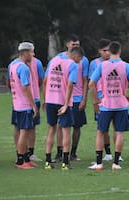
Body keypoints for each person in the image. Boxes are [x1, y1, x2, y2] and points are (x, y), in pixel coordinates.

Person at [89, 41, 129, 170]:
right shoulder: (126, 66)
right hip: (121, 104)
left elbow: (91, 84)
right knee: (119, 133)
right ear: (120, 51)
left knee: (100, 132)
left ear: (109, 51)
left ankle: (99, 163)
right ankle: (116, 163)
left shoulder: (102, 66)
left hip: (106, 104)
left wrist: (96, 100)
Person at [43, 47, 83, 170]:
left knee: (51, 129)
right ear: (76, 55)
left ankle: (48, 161)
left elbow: (45, 80)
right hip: (62, 101)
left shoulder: (54, 60)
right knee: (66, 131)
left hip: (50, 99)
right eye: (79, 59)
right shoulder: (73, 65)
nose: (79, 62)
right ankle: (65, 162)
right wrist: (66, 104)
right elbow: (70, 85)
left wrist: (45, 100)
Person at [53, 34, 89, 162]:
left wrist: (84, 98)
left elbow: (85, 80)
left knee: (77, 126)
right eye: (73, 44)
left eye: (77, 44)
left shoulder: (83, 60)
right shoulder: (58, 58)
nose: (76, 46)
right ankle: (59, 152)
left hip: (78, 97)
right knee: (60, 126)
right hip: (62, 98)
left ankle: (73, 152)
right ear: (67, 44)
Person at [7, 41, 44, 163]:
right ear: (26, 53)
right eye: (32, 52)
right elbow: (26, 87)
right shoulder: (23, 68)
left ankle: (25, 158)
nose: (33, 55)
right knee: (24, 131)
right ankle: (21, 160)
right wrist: (33, 105)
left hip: (16, 103)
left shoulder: (13, 65)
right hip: (25, 105)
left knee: (20, 129)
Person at [89, 38, 123, 162]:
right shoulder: (95, 64)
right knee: (102, 128)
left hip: (115, 99)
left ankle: (117, 153)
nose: (107, 53)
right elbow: (91, 82)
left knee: (117, 127)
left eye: (109, 50)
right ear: (99, 51)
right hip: (101, 99)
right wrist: (95, 101)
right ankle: (107, 152)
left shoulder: (117, 63)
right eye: (104, 51)